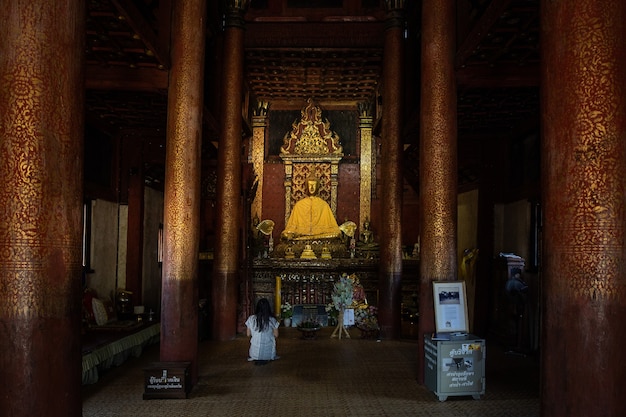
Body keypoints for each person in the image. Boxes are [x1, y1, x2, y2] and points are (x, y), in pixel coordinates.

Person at [245, 298, 280, 364]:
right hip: (269, 355)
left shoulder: (251, 319)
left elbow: (248, 334)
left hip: (254, 354)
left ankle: (257, 355)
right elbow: (276, 335)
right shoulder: (272, 320)